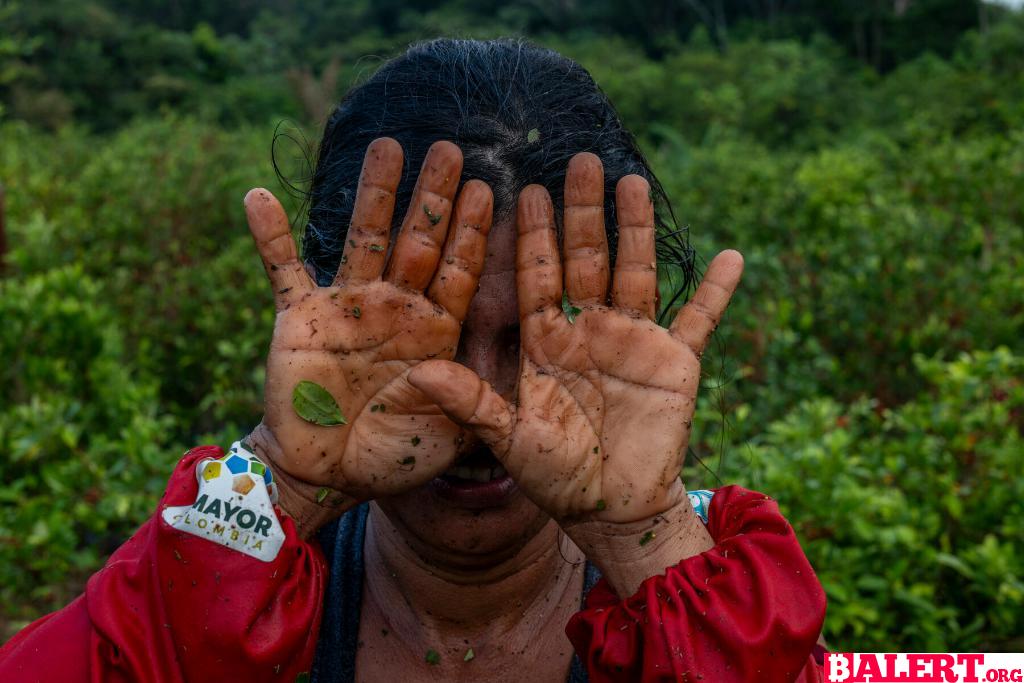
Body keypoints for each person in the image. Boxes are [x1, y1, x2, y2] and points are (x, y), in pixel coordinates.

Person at [0, 38, 826, 682]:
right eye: (426, 342)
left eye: (533, 347)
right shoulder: (235, 577)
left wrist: (645, 540)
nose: (475, 406)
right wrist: (279, 484)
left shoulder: (702, 588)